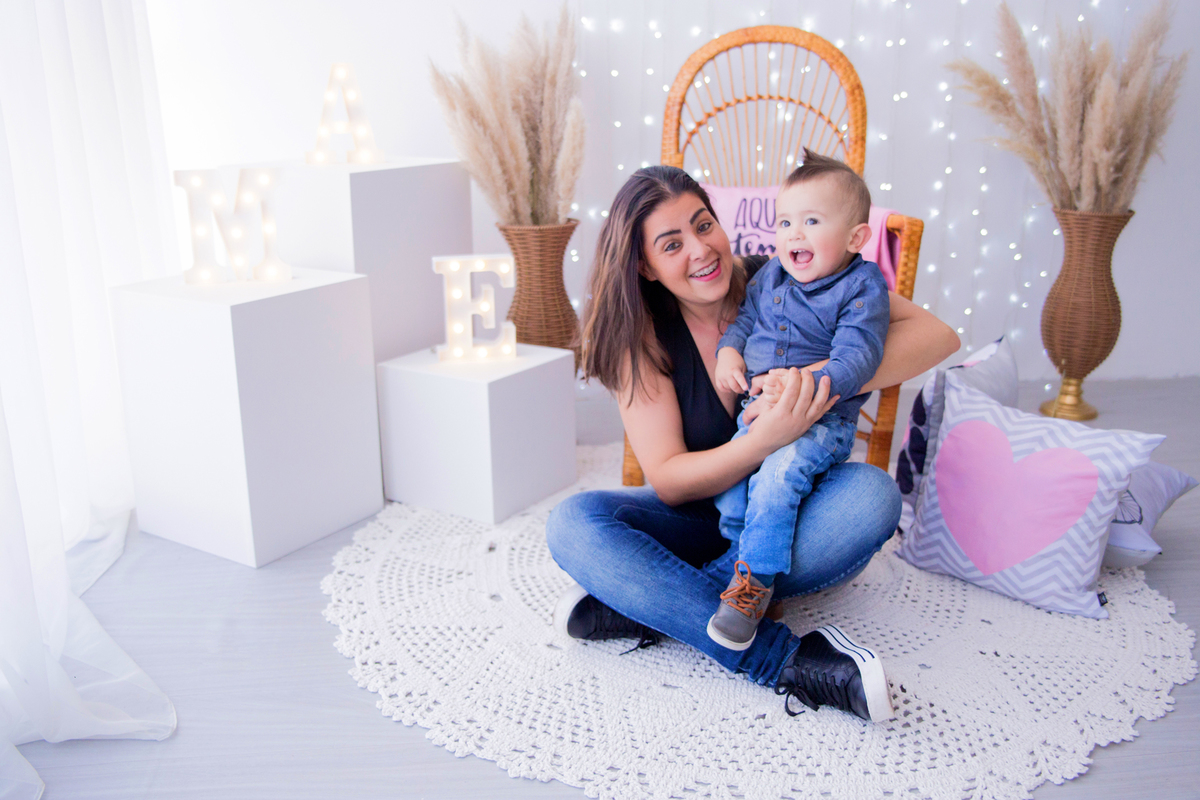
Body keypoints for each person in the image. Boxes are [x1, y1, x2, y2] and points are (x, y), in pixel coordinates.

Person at [546, 165, 958, 723]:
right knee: (573, 523)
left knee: (873, 497)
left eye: (703, 225)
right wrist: (766, 438)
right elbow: (669, 479)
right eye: (672, 244)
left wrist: (808, 385)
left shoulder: (782, 275)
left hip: (789, 509)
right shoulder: (638, 336)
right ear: (644, 266)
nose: (701, 250)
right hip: (699, 517)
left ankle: (653, 603)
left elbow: (938, 335)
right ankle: (787, 660)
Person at [707, 150, 890, 651]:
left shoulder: (862, 285)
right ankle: (745, 567)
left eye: (811, 221)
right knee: (732, 491)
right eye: (785, 222)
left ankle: (753, 584)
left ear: (855, 238)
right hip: (758, 414)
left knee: (777, 478)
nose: (794, 235)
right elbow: (746, 322)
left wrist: (795, 386)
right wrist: (728, 352)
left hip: (818, 420)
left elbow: (858, 357)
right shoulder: (770, 275)